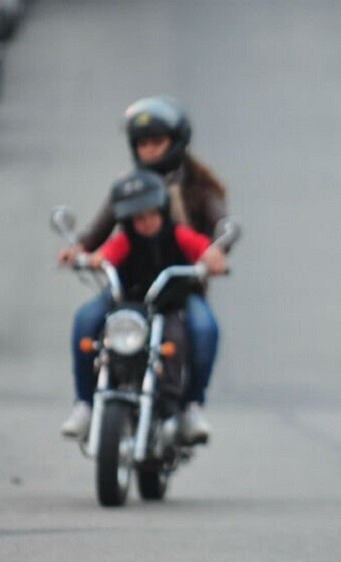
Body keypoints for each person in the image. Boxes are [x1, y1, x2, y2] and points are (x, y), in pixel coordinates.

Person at [59, 96, 236, 442]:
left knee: (205, 330)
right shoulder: (129, 187)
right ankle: (85, 404)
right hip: (129, 290)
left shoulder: (199, 186)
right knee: (85, 320)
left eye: (157, 142)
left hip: (179, 290)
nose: (149, 150)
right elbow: (100, 235)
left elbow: (219, 232)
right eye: (142, 143)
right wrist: (79, 251)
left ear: (176, 142)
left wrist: (216, 254)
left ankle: (190, 408)